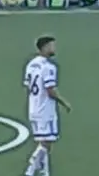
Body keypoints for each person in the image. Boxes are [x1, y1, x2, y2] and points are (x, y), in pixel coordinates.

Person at [22, 35, 71, 176]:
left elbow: (28, 86)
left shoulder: (31, 64)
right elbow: (50, 90)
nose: (54, 48)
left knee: (43, 142)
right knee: (46, 143)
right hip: (45, 110)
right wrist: (64, 102)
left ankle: (45, 172)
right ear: (44, 47)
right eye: (51, 45)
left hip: (33, 108)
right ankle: (30, 170)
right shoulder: (49, 67)